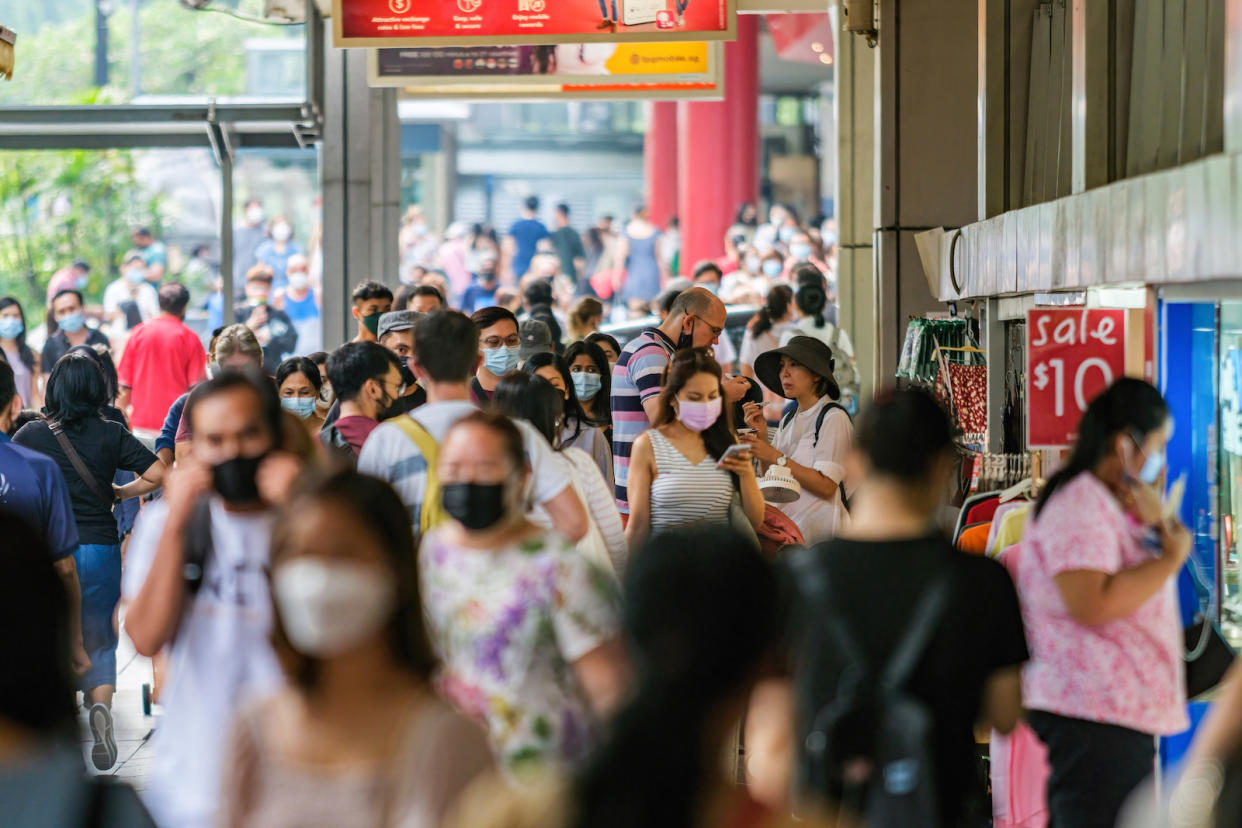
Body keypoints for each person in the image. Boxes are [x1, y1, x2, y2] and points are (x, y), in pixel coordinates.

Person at [787, 386, 1027, 825]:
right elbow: (1006, 715)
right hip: (940, 806)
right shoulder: (982, 581)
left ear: (857, 461)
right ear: (941, 466)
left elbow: (770, 748)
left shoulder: (800, 580)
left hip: (831, 812)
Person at [217, 470, 493, 827]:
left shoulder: (453, 743)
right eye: (300, 555)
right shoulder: (254, 730)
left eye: (343, 553)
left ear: (395, 570)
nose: (318, 577)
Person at [124, 370, 295, 828]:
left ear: (275, 438)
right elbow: (145, 636)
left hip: (298, 783)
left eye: (248, 435)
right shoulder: (168, 524)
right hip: (194, 785)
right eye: (215, 440)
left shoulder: (309, 517)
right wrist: (178, 521)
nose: (232, 452)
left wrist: (302, 513)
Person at [1017, 378, 1190, 827]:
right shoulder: (1080, 503)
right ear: (1125, 444)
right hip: (1093, 711)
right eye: (1157, 446)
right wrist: (1171, 559)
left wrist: (1161, 523)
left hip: (1112, 710)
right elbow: (1090, 602)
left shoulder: (1108, 501)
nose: (1161, 460)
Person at [418, 411, 627, 774]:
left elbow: (609, 688)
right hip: (457, 767)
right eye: (452, 468)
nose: (466, 480)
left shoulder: (560, 567)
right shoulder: (435, 551)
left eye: (484, 468)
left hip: (543, 773)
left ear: (524, 477)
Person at [13, 353, 164, 771]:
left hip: (50, 551)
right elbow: (159, 474)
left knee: (54, 633)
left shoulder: (29, 435)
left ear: (55, 388)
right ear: (98, 390)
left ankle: (62, 728)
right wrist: (118, 493)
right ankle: (100, 707)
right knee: (99, 635)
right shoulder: (112, 432)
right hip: (99, 548)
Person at [358, 310, 589, 545]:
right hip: (500, 578)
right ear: (477, 361)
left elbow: (364, 532)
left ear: (416, 367)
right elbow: (575, 524)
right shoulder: (519, 433)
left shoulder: (385, 440)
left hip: (419, 578)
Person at [0, 512, 155, 827]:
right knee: (101, 645)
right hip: (98, 546)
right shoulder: (106, 809)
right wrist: (75, 638)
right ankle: (100, 703)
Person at [0, 360, 89, 678]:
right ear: (15, 406)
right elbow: (64, 568)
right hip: (24, 629)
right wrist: (74, 641)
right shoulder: (40, 469)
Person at [624, 347, 763, 548]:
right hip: (667, 569)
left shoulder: (725, 440)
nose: (706, 405)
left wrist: (746, 473)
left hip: (721, 568)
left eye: (713, 396)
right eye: (695, 397)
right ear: (672, 397)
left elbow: (754, 520)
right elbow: (637, 527)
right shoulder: (647, 445)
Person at [610, 286, 728, 516]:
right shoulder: (651, 354)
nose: (715, 341)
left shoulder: (660, 352)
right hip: (646, 500)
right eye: (714, 331)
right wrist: (719, 396)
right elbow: (662, 419)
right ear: (688, 322)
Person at [494, 373, 626, 575]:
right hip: (583, 583)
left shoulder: (490, 473)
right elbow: (614, 538)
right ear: (554, 420)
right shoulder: (577, 462)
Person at [742, 336, 853, 544]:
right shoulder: (789, 420)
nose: (784, 373)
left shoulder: (832, 417)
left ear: (816, 376)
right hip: (791, 534)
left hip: (824, 538)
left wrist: (775, 455)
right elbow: (771, 479)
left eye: (794, 365)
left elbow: (827, 485)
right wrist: (763, 437)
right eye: (782, 365)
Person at [116, 282, 207, 435]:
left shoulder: (138, 333)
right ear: (184, 307)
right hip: (176, 427)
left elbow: (124, 385)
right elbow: (196, 389)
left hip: (140, 425)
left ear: (160, 304)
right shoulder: (190, 338)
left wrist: (118, 423)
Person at [523, 351, 612, 485]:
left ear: (567, 391)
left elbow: (606, 490)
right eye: (539, 385)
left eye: (554, 385)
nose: (547, 393)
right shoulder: (515, 435)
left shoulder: (591, 435)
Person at [319, 342, 403, 458]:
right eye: (396, 386)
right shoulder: (397, 443)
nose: (396, 395)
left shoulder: (314, 447)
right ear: (372, 388)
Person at [233, 265, 298, 375]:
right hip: (242, 373)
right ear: (247, 288)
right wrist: (248, 328)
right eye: (255, 288)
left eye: (264, 288)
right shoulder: (237, 313)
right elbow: (225, 344)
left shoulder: (278, 315)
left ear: (269, 290)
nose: (260, 293)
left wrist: (270, 339)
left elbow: (291, 342)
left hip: (272, 372)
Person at [41, 289, 111, 377]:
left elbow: (110, 376)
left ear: (83, 308)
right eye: (61, 311)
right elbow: (47, 383)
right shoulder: (51, 346)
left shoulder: (99, 338)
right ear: (55, 316)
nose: (68, 315)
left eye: (72, 309)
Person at [377, 310, 429, 414]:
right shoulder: (359, 402)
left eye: (418, 351)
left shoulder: (430, 405)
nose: (411, 358)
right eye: (401, 349)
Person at [740, 284, 796, 380]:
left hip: (762, 392)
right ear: (789, 305)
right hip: (789, 391)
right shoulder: (796, 332)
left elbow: (746, 368)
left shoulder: (754, 330)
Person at [104, 252, 161, 340]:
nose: (138, 272)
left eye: (140, 269)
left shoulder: (148, 290)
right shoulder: (113, 289)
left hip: (143, 337)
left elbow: (155, 316)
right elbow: (109, 315)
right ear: (124, 268)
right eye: (135, 269)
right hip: (120, 337)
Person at [617, 204, 664, 311]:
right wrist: (665, 277)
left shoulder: (626, 231)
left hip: (634, 271)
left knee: (634, 309)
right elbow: (659, 257)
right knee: (654, 308)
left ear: (633, 214)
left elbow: (621, 256)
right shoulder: (654, 231)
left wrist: (617, 277)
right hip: (652, 270)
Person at [471, 306, 521, 405]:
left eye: (511, 340)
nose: (504, 348)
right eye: (493, 342)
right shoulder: (465, 396)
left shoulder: (533, 392)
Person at [272, 253, 321, 355]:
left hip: (314, 354)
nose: (299, 274)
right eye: (294, 270)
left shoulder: (317, 295)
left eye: (302, 269)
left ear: (308, 271)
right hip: (288, 357)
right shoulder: (280, 296)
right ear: (287, 272)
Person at [565, 339, 612, 439]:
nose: (584, 376)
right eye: (576, 369)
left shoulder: (613, 417)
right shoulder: (559, 417)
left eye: (591, 370)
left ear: (602, 375)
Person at [0, 296, 38, 408]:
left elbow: (34, 393)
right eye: (5, 316)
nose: (11, 320)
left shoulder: (32, 355)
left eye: (15, 316)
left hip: (25, 418)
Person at [275, 356, 325, 436]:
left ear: (317, 393)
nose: (296, 400)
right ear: (278, 393)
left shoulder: (329, 433)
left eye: (304, 392)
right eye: (288, 393)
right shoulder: (271, 435)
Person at [254, 214, 303, 292]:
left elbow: (302, 271)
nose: (281, 228)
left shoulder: (296, 249)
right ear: (272, 228)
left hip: (291, 292)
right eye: (278, 225)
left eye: (285, 225)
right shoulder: (264, 249)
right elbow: (258, 274)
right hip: (269, 292)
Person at [507, 195, 550, 280]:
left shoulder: (516, 225)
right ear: (537, 208)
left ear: (524, 206)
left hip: (518, 266)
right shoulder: (541, 227)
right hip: (535, 267)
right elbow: (544, 248)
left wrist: (508, 268)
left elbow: (509, 248)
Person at [551, 203, 587, 287]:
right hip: (571, 278)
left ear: (560, 213)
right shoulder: (575, 234)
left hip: (560, 277)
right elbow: (580, 260)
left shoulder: (556, 234)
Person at [233, 198, 268, 286]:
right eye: (252, 208)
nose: (255, 211)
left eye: (258, 208)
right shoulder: (236, 232)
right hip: (238, 282)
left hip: (259, 282)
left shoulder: (266, 233)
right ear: (245, 210)